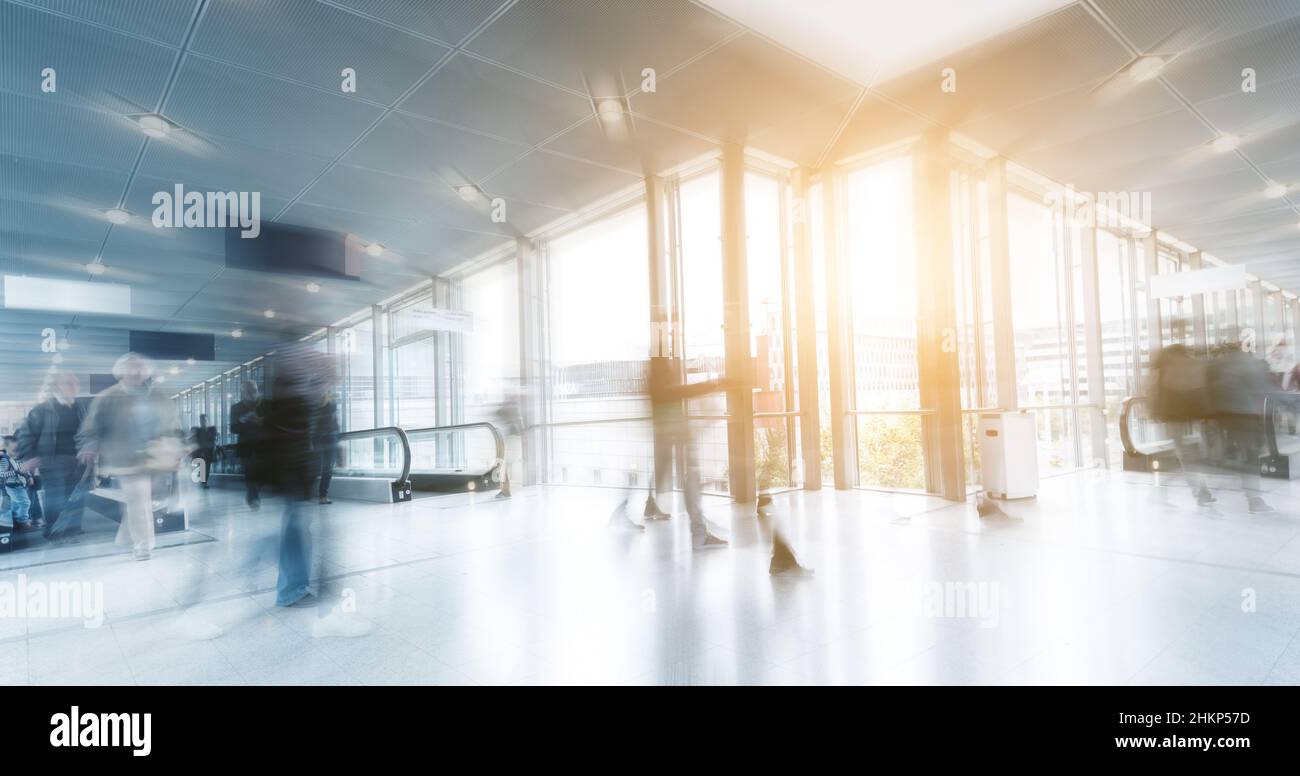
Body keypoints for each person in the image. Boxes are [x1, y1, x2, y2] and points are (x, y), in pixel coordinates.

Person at [77, 353, 185, 560]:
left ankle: (125, 538)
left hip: (155, 458)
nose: (136, 372)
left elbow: (173, 425)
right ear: (121, 372)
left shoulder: (159, 396)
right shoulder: (108, 397)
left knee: (141, 500)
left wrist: (178, 447)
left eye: (140, 368)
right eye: (131, 368)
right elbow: (91, 427)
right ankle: (143, 545)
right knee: (139, 499)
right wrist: (90, 446)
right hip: (125, 458)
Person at [15, 372, 87, 540]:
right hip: (53, 460)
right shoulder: (43, 409)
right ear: (57, 387)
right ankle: (54, 530)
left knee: (76, 495)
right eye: (68, 383)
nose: (74, 387)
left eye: (75, 384)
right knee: (55, 497)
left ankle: (72, 528)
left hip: (79, 460)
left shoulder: (81, 407)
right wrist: (30, 456)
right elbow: (26, 434)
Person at [1207, 342, 1276, 514]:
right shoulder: (1243, 365)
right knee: (1250, 456)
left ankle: (1244, 494)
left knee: (1244, 454)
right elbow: (1259, 388)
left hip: (1226, 415)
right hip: (1243, 415)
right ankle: (1254, 500)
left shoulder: (1216, 367)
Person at [1148, 344, 1212, 505]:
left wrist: (1153, 411)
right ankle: (1199, 489)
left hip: (1172, 415)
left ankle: (1198, 489)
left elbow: (1154, 390)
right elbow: (1196, 388)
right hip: (1186, 414)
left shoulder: (1162, 367)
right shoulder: (1184, 366)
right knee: (1188, 453)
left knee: (1183, 452)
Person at [230, 380, 264, 508]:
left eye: (254, 390)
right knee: (250, 472)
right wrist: (243, 421)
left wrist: (260, 421)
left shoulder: (264, 406)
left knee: (263, 473)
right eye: (249, 391)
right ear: (243, 393)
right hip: (246, 446)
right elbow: (233, 429)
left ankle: (253, 494)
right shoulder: (236, 408)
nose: (252, 394)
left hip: (263, 445)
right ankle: (253, 497)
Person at [1, 435, 37, 532]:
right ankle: (23, 522)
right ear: (6, 448)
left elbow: (24, 468)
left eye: (18, 449)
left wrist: (29, 476)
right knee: (25, 502)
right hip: (11, 485)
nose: (17, 452)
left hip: (20, 485)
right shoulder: (4, 460)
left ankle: (16, 521)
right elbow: (2, 474)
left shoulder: (18, 458)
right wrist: (17, 472)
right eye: (14, 450)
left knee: (16, 503)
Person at [313, 392, 339, 505]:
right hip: (323, 437)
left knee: (327, 468)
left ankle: (322, 495)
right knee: (324, 467)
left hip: (328, 436)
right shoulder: (321, 400)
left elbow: (334, 419)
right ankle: (321, 495)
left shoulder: (330, 400)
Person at [190, 414, 217, 489]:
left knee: (207, 467)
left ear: (207, 420)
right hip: (201, 451)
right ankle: (203, 481)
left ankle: (204, 482)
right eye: (201, 420)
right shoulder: (198, 430)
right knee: (202, 466)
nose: (203, 422)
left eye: (204, 420)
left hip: (208, 451)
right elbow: (195, 440)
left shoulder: (211, 429)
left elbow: (213, 439)